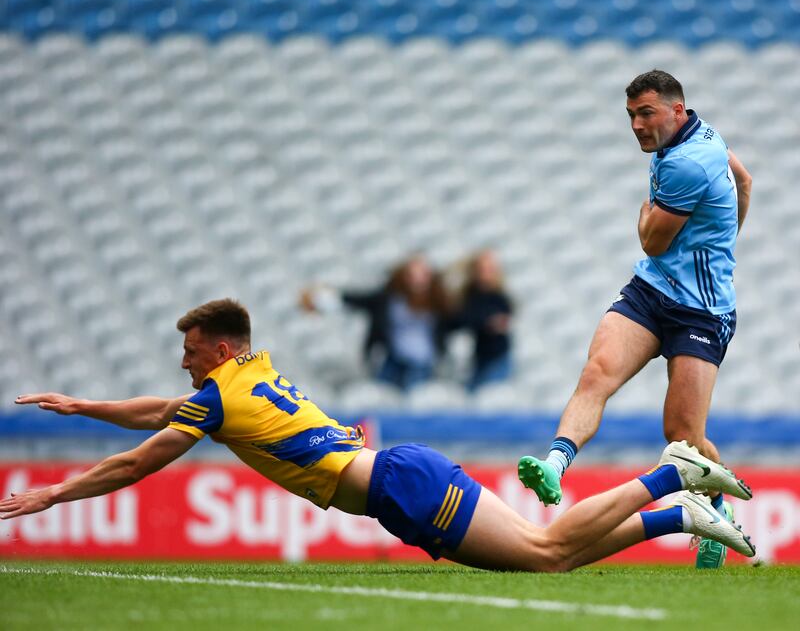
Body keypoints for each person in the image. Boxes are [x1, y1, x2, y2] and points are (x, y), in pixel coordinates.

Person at [3, 298, 756, 572]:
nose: (184, 360)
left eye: (193, 348)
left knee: (549, 550)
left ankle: (673, 475)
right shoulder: (243, 378)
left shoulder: (218, 397)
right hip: (402, 470)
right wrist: (82, 404)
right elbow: (156, 411)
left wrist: (59, 492)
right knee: (550, 553)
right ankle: (682, 514)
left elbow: (144, 456)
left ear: (221, 350)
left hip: (397, 484)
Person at [518, 69, 753, 570]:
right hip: (651, 291)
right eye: (630, 116)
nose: (637, 126)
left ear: (676, 110)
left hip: (702, 310)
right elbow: (744, 180)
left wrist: (643, 215)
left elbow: (651, 239)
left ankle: (716, 508)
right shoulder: (703, 134)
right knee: (597, 373)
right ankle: (554, 465)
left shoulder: (687, 162)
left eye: (646, 113)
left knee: (683, 434)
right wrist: (724, 241)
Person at [300, 255, 450, 391]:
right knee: (379, 394)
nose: (417, 280)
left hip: (422, 361)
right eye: (412, 275)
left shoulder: (438, 302)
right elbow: (357, 299)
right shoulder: (389, 299)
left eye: (423, 275)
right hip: (393, 358)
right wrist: (322, 297)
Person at [446, 250, 514, 391]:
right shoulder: (470, 295)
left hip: (497, 357)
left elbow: (501, 320)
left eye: (489, 269)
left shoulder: (499, 297)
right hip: (479, 358)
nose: (486, 273)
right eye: (482, 269)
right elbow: (461, 320)